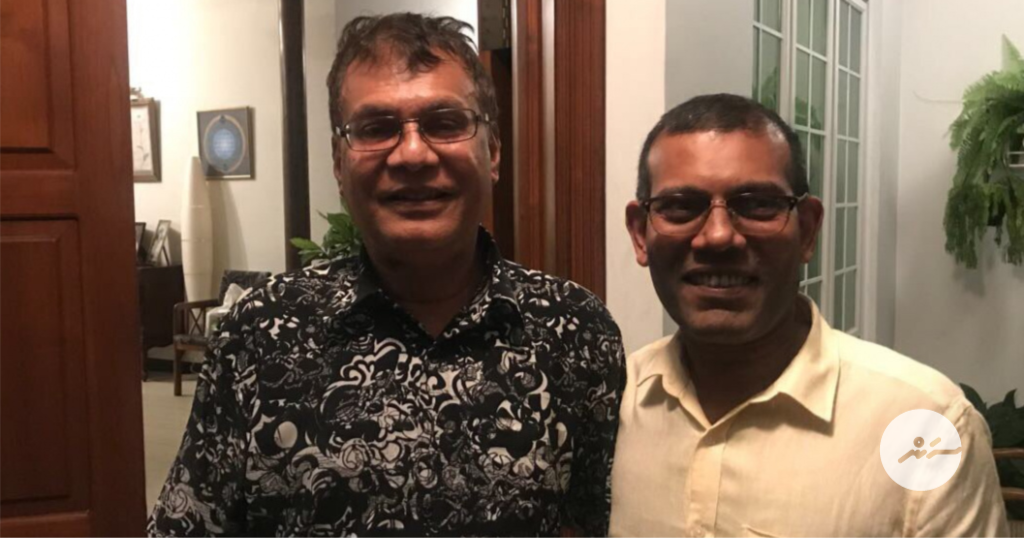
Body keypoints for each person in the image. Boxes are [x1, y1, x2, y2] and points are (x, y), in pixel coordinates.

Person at [148, 13, 624, 538]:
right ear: (338, 163)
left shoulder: (576, 333)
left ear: (492, 151)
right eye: (376, 128)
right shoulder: (260, 331)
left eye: (445, 122)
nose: (413, 154)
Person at [609, 93, 1009, 538]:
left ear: (808, 230)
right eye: (681, 207)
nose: (718, 237)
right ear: (640, 234)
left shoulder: (927, 427)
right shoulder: (611, 403)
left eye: (757, 204)